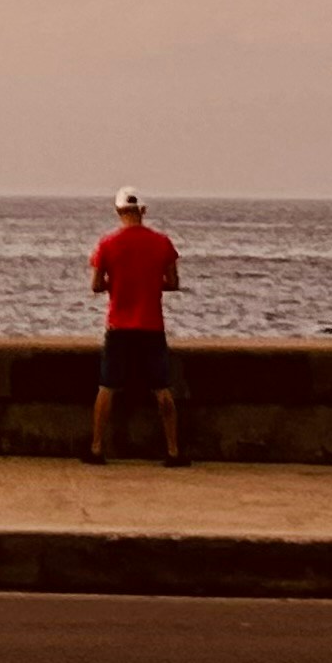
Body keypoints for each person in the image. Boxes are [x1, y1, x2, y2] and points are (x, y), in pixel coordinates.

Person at [85, 189, 185, 466]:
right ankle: (173, 451)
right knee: (162, 389)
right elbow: (173, 283)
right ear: (143, 211)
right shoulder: (162, 243)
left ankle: (96, 448)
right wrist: (151, 284)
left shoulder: (107, 244)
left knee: (107, 387)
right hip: (152, 326)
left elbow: (95, 285)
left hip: (119, 326)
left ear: (118, 212)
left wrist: (116, 285)